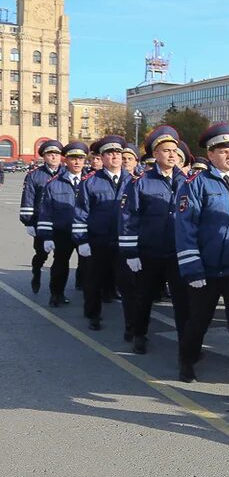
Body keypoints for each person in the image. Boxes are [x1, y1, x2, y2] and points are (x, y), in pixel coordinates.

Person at [175, 123, 229, 410]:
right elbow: (186, 229)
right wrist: (193, 269)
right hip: (208, 271)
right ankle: (187, 360)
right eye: (222, 150)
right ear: (210, 154)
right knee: (199, 321)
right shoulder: (195, 186)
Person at [118, 126, 189, 355]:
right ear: (155, 155)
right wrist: (130, 253)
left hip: (177, 252)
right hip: (149, 251)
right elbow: (129, 216)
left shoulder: (187, 181)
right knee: (144, 297)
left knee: (182, 301)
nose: (172, 155)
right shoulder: (141, 182)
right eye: (166, 150)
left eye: (175, 151)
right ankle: (140, 334)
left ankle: (186, 343)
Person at [74, 135, 133, 332]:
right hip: (97, 241)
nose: (115, 156)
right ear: (102, 157)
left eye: (118, 153)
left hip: (123, 241)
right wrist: (81, 240)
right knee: (94, 281)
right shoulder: (90, 182)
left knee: (127, 284)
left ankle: (131, 324)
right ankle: (93, 315)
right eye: (110, 153)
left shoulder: (133, 181)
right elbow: (81, 212)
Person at [36, 142, 87, 307]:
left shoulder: (91, 181)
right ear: (66, 160)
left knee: (89, 266)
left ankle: (91, 298)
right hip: (62, 231)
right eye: (73, 158)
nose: (77, 162)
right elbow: (46, 211)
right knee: (60, 265)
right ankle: (56, 294)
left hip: (85, 232)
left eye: (80, 158)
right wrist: (47, 236)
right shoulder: (54, 183)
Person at [21, 140, 64, 294]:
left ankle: (57, 291)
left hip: (61, 222)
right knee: (41, 254)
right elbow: (28, 197)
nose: (54, 157)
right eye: (50, 154)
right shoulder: (34, 175)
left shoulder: (66, 173)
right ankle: (36, 271)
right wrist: (29, 222)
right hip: (41, 221)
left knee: (60, 258)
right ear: (44, 156)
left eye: (57, 154)